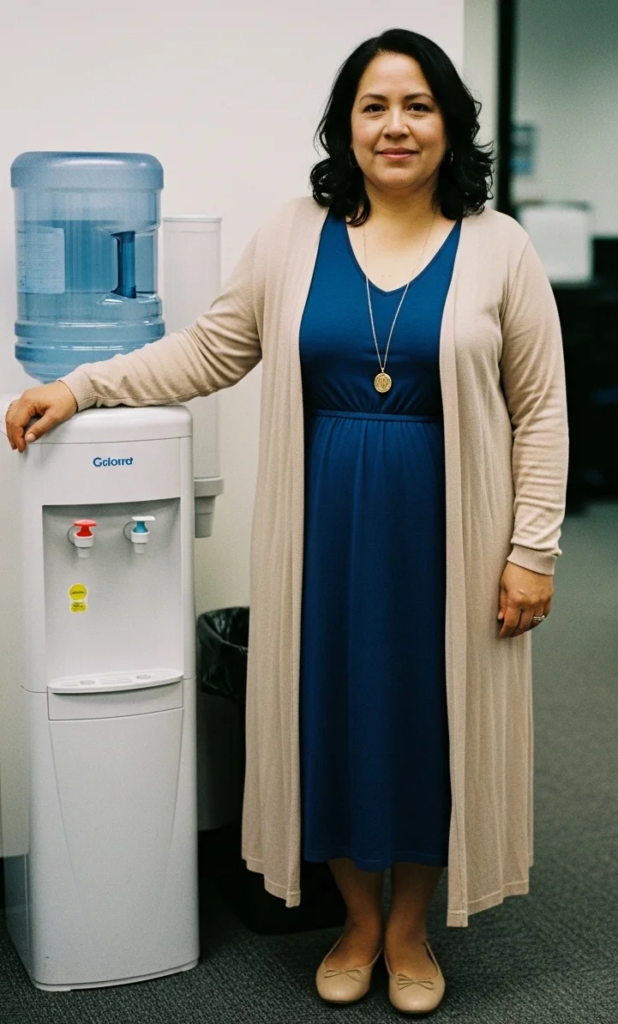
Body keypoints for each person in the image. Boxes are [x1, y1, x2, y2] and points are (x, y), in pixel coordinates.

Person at [5, 28, 568, 1015]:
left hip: (449, 531)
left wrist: (531, 550)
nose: (396, 126)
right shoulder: (295, 233)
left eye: (418, 105)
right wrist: (83, 385)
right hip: (329, 530)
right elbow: (210, 351)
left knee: (431, 722)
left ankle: (409, 928)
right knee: (336, 716)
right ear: (347, 126)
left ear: (451, 123)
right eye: (374, 106)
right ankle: (355, 917)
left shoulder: (500, 246)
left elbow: (543, 407)